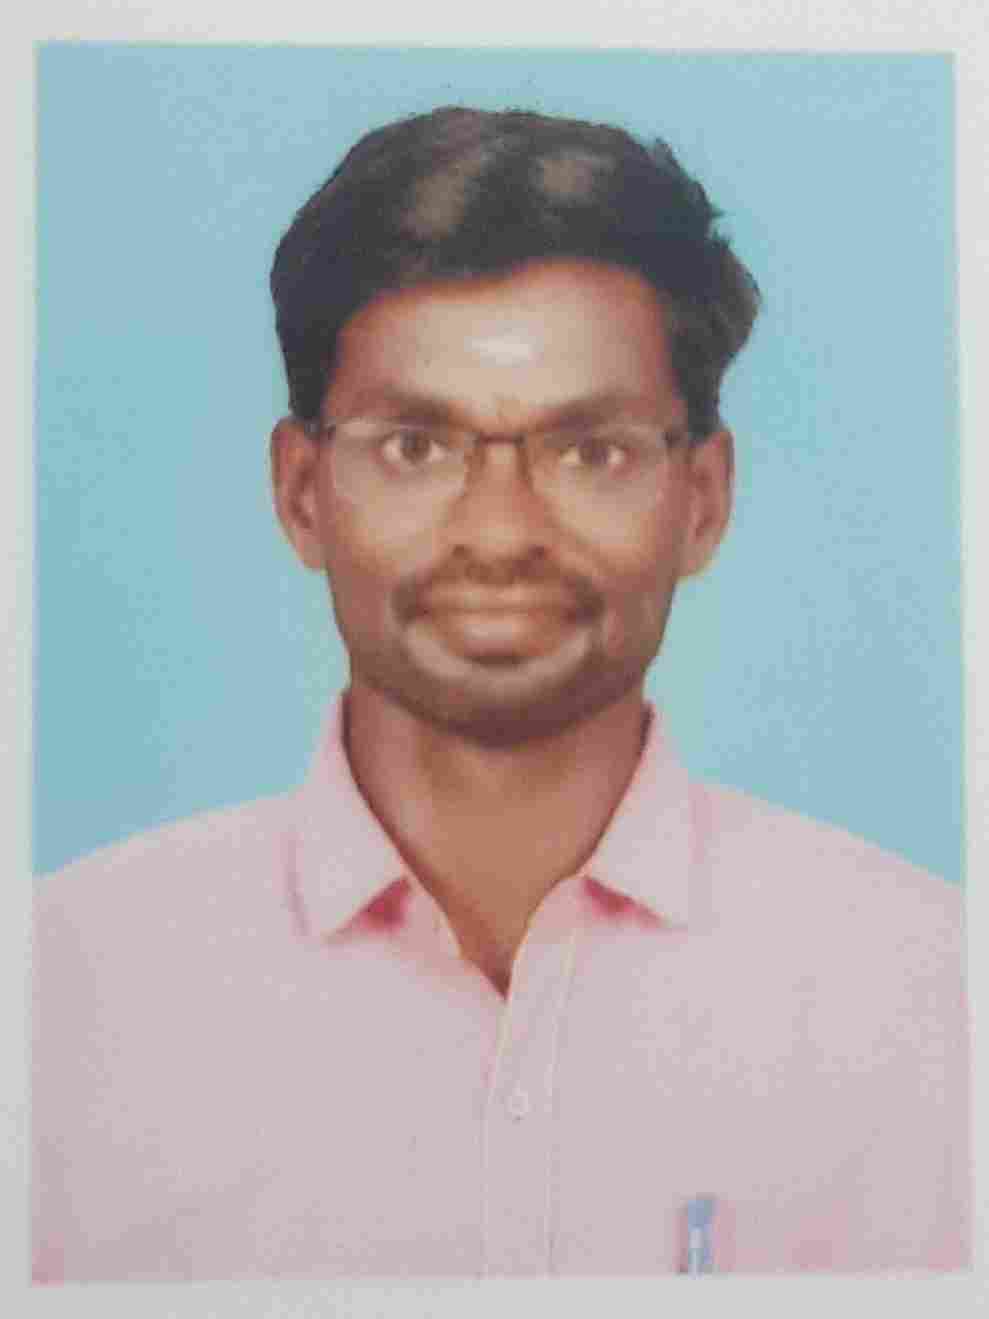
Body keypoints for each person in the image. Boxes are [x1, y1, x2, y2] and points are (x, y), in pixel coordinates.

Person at [32, 107, 969, 1281]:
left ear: (702, 498)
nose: (498, 532)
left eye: (591, 450)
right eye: (415, 446)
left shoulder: (930, 999)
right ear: (300, 490)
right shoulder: (58, 998)